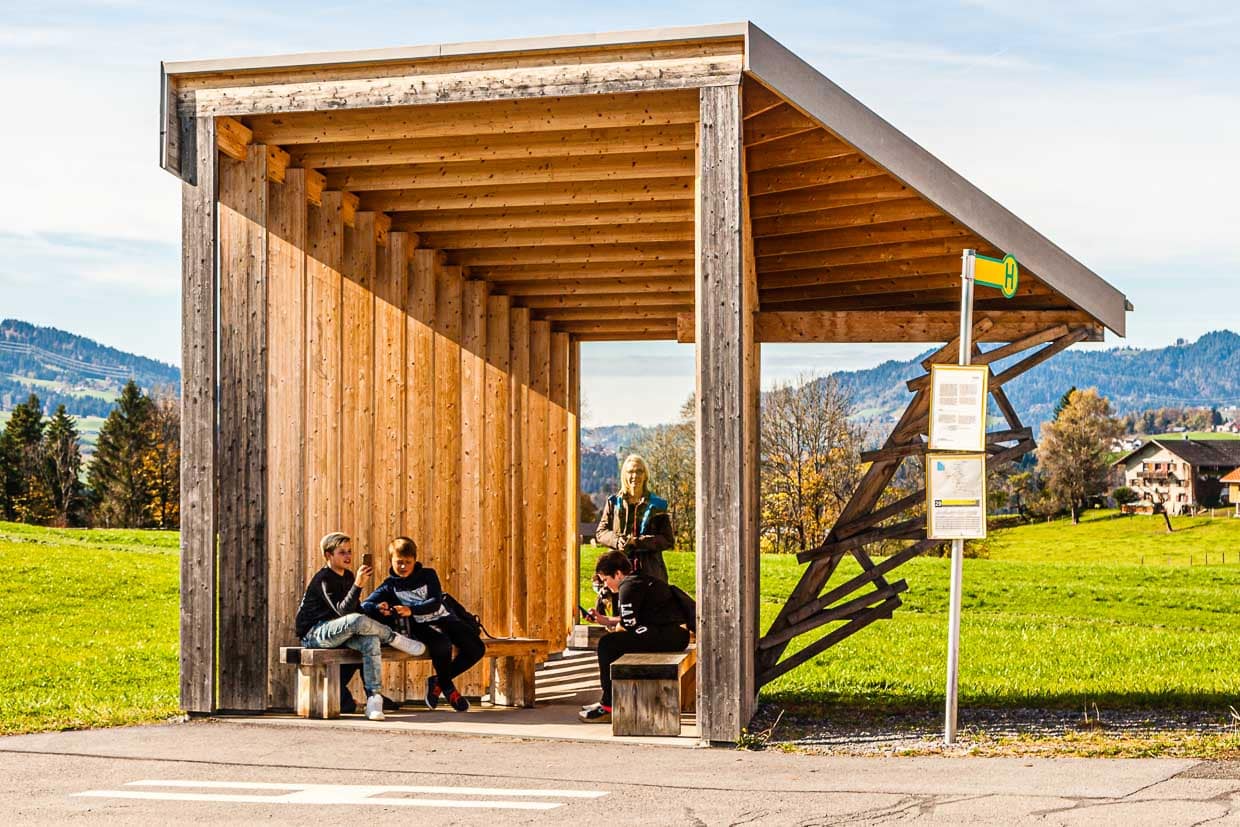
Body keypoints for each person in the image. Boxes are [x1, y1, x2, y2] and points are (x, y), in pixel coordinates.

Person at [294, 532, 426, 721]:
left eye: (349, 552)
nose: (348, 556)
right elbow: (343, 612)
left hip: (340, 632)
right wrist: (358, 585)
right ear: (328, 555)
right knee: (356, 621)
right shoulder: (324, 578)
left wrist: (375, 609)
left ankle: (374, 700)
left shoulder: (347, 576)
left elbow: (356, 610)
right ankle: (394, 638)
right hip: (315, 633)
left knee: (370, 639)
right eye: (342, 553)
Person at [363, 536, 486, 713]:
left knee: (476, 648)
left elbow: (436, 601)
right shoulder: (390, 586)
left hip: (444, 617)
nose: (403, 567)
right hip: (420, 626)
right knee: (441, 644)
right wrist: (378, 606)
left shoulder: (428, 574)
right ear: (391, 561)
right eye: (399, 562)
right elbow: (365, 605)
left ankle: (439, 681)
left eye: (408, 562)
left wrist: (411, 609)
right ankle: (449, 688)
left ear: (415, 560)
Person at [579, 550, 691, 724]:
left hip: (670, 635)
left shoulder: (628, 586)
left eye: (606, 580)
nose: (606, 585)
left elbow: (628, 625)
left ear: (617, 574)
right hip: (674, 633)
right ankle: (610, 698)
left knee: (607, 645)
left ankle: (609, 705)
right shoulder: (638, 579)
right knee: (614, 642)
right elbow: (635, 619)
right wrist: (606, 620)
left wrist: (614, 627)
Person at [595, 454, 674, 586]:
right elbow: (601, 532)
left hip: (650, 572)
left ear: (645, 475)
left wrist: (637, 542)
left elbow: (667, 539)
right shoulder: (613, 502)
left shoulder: (658, 505)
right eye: (630, 471)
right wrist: (616, 541)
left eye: (639, 471)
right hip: (617, 571)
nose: (635, 476)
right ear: (624, 475)